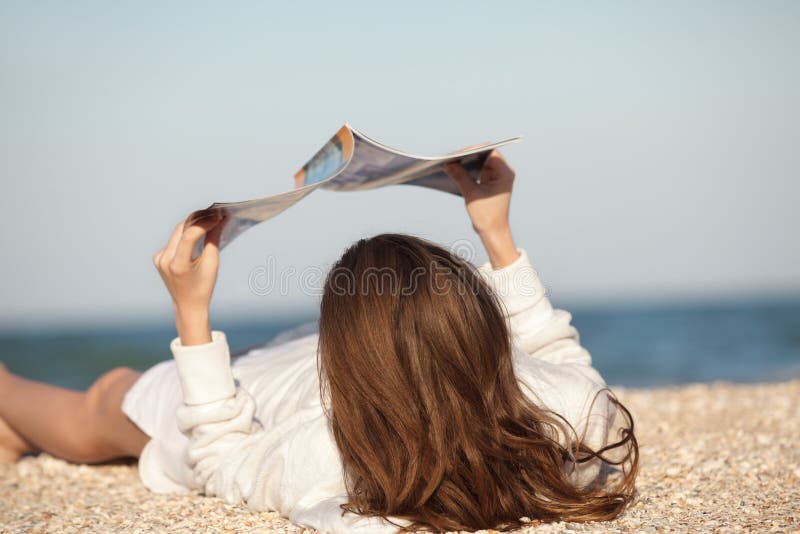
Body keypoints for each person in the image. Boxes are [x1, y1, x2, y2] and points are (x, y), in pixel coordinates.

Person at [0, 151, 638, 533]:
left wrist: (191, 313)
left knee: (105, 404)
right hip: (319, 366)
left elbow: (221, 458)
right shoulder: (572, 410)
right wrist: (494, 230)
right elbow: (553, 352)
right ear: (478, 321)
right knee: (116, 393)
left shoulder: (327, 457)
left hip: (278, 391)